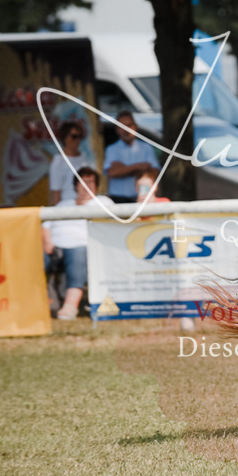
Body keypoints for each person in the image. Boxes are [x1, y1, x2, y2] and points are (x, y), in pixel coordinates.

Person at [41, 167, 113, 320]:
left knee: (77, 255)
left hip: (84, 247)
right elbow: (45, 225)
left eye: (91, 182)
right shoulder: (63, 204)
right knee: (38, 260)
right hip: (55, 247)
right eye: (83, 182)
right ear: (76, 185)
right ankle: (39, 304)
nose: (87, 185)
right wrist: (47, 242)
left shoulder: (103, 202)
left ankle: (70, 306)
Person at [104, 111, 161, 203]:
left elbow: (154, 172)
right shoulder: (111, 149)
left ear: (135, 126)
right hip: (117, 199)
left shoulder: (146, 148)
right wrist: (139, 167)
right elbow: (112, 173)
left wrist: (123, 169)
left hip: (142, 197)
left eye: (129, 125)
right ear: (117, 129)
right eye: (122, 126)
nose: (126, 129)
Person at [49, 121, 93, 205]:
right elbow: (55, 192)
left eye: (80, 136)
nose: (78, 140)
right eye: (74, 136)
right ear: (64, 138)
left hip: (86, 203)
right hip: (68, 205)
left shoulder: (83, 156)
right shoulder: (58, 162)